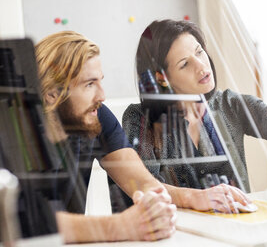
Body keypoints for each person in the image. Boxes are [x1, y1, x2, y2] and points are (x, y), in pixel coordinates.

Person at [123, 19, 267, 193]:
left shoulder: (230, 105)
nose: (201, 66)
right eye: (185, 64)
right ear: (162, 78)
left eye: (199, 52)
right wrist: (198, 198)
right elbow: (142, 188)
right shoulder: (140, 119)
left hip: (237, 221)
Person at [35, 31, 176, 243]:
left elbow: (139, 180)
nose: (102, 96)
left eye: (100, 81)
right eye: (89, 84)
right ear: (52, 94)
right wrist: (119, 226)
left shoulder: (95, 116)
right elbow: (24, 221)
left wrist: (164, 200)